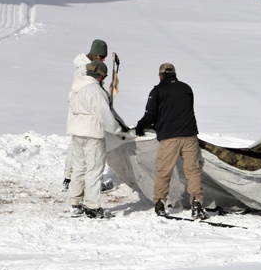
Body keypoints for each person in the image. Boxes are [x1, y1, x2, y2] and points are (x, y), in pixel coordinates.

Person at [135, 63, 206, 220]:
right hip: (189, 135)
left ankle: (160, 203)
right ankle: (197, 203)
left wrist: (141, 126)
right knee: (192, 170)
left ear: (160, 76)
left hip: (169, 138)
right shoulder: (186, 88)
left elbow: (150, 116)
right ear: (174, 74)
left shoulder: (157, 91)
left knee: (164, 171)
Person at [66, 60, 123, 219]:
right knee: (94, 170)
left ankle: (75, 203)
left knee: (79, 168)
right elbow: (104, 113)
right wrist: (116, 130)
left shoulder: (76, 87)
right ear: (100, 75)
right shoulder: (95, 90)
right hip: (92, 132)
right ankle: (92, 206)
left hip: (77, 131)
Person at [64, 39, 109, 190]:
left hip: (78, 112)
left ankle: (70, 179)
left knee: (77, 146)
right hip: (86, 112)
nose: (103, 60)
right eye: (102, 58)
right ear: (97, 56)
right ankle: (80, 183)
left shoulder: (83, 65)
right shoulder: (85, 69)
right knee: (88, 159)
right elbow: (91, 91)